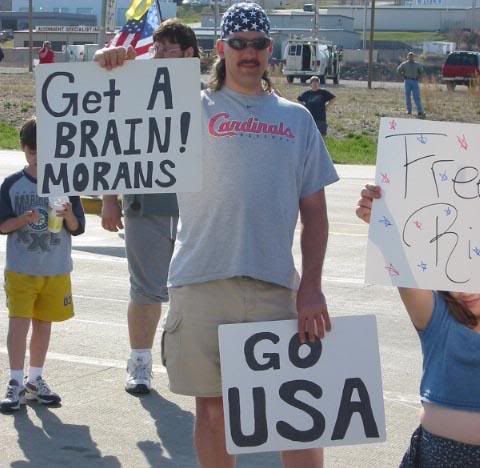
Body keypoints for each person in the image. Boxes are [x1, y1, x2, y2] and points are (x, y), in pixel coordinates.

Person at [162, 4, 339, 467]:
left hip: (274, 286)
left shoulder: (297, 119)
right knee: (214, 414)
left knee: (298, 420)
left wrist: (312, 287)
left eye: (258, 44)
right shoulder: (185, 107)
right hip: (201, 280)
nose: (248, 52)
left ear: (270, 49)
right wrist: (111, 61)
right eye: (238, 43)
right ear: (221, 48)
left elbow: (316, 214)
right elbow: (122, 106)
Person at [95, 19, 201, 395]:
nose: (159, 55)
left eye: (168, 49)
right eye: (156, 49)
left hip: (196, 212)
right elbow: (115, 141)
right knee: (144, 291)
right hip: (145, 206)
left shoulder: (210, 96)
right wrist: (110, 199)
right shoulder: (134, 90)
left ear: (189, 54)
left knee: (201, 293)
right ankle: (140, 362)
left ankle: (200, 362)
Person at [356, 184, 480, 467]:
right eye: (454, 278)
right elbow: (401, 267)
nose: (464, 290)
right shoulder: (438, 319)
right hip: (436, 457)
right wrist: (381, 221)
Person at [0, 117, 85, 412]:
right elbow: (2, 226)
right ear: (24, 149)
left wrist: (68, 214)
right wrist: (22, 220)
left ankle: (35, 379)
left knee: (43, 324)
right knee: (18, 323)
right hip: (21, 268)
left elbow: (77, 227)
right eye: (32, 151)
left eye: (44, 151)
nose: (38, 157)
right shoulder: (12, 185)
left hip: (55, 268)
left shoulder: (65, 184)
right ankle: (15, 381)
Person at [397, 52, 426, 119]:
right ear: (407, 57)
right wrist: (403, 75)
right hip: (407, 81)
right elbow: (398, 70)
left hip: (415, 81)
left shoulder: (417, 65)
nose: (411, 57)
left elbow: (422, 72)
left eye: (412, 56)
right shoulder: (404, 64)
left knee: (416, 97)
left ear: (414, 57)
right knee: (407, 96)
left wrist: (419, 76)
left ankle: (420, 111)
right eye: (409, 56)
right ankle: (409, 110)